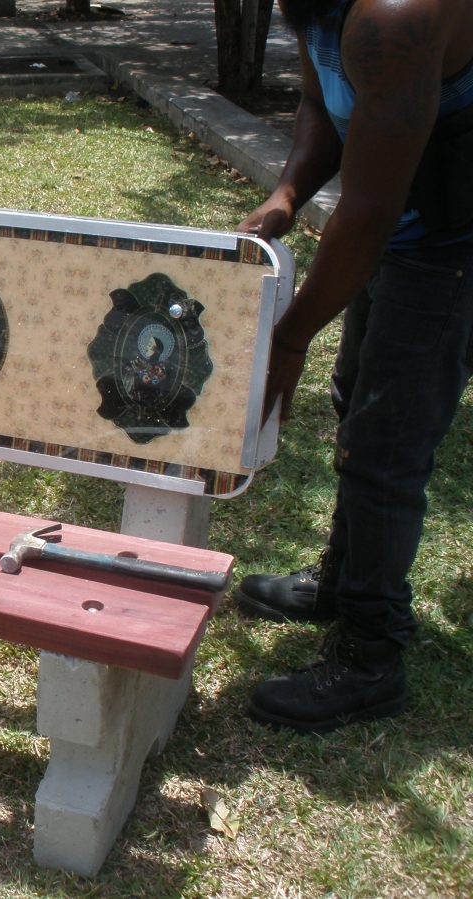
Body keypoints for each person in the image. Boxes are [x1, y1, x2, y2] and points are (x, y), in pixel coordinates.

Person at [234, 0, 473, 733]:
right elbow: (321, 100)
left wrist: (288, 338)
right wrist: (287, 193)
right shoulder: (313, 2)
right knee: (355, 398)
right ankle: (342, 579)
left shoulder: (397, 17)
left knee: (385, 445)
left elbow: (367, 214)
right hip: (404, 228)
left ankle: (370, 654)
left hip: (454, 244)